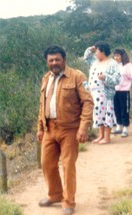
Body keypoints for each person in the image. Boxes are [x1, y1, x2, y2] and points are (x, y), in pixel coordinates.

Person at [36, 45, 94, 215]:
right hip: (49, 129)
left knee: (68, 166)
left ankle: (68, 202)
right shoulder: (46, 78)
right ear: (47, 62)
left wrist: (83, 127)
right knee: (47, 164)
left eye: (57, 59)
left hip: (69, 129)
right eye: (51, 60)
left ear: (64, 60)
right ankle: (54, 195)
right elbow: (42, 105)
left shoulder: (77, 76)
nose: (54, 62)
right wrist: (40, 127)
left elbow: (88, 102)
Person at [84, 41, 120, 144]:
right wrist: (90, 49)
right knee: (98, 113)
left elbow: (117, 79)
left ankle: (107, 137)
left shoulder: (112, 63)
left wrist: (105, 78)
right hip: (94, 92)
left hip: (105, 92)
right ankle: (101, 135)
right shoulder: (95, 61)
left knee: (106, 113)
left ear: (103, 51)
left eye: (97, 51)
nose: (95, 53)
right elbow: (86, 58)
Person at [111, 48, 132, 137]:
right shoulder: (114, 66)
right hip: (115, 91)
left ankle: (125, 128)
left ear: (122, 56)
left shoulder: (128, 66)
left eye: (118, 55)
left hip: (124, 91)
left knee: (125, 110)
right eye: (115, 56)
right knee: (117, 109)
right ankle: (119, 127)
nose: (116, 57)